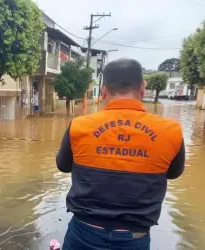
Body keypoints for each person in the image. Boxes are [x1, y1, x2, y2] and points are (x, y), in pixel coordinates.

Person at [56, 58, 185, 250]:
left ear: (104, 89)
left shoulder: (79, 126)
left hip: (83, 234)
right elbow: (174, 173)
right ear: (143, 87)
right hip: (135, 237)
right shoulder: (171, 131)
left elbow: (63, 165)